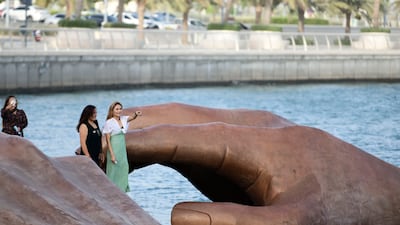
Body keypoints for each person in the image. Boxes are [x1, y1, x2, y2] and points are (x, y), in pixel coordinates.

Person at [103, 101, 142, 192]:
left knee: (124, 167)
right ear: (112, 110)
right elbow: (108, 140)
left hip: (122, 148)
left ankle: (122, 188)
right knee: (113, 169)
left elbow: (132, 118)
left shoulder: (123, 119)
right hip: (114, 147)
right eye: (117, 109)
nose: (119, 111)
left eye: (120, 109)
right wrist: (112, 154)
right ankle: (112, 189)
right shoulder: (109, 122)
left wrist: (136, 114)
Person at [76, 105, 104, 169]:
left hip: (97, 155)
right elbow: (83, 143)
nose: (95, 115)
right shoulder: (84, 125)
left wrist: (101, 152)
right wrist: (87, 156)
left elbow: (99, 139)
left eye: (96, 113)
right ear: (88, 113)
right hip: (88, 155)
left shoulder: (95, 123)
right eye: (93, 113)